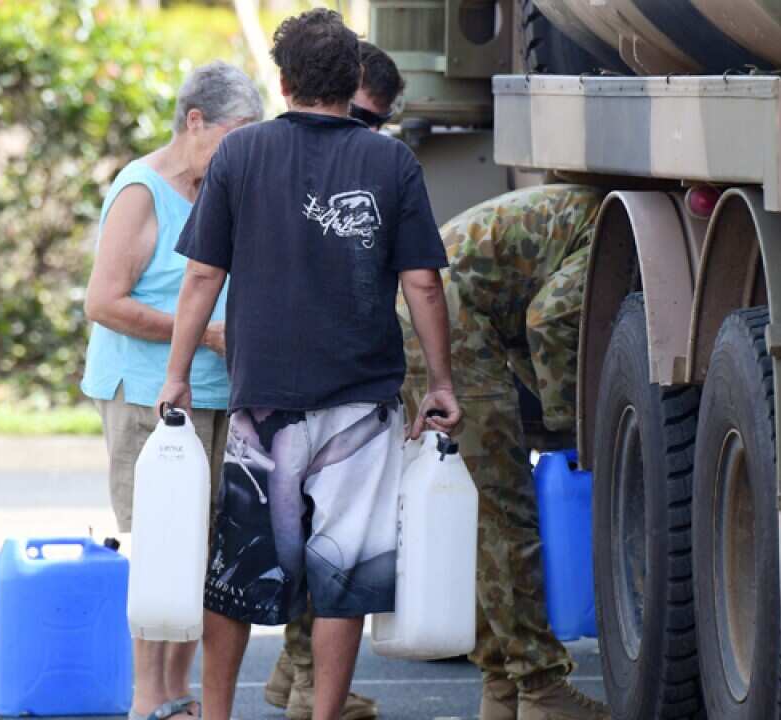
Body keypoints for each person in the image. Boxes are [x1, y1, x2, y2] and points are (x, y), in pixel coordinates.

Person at [157, 10, 461, 720]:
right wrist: (442, 382)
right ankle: (324, 715)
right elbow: (423, 283)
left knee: (236, 573)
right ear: (352, 81)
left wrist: (176, 374)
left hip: (263, 402)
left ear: (286, 81)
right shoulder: (391, 162)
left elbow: (202, 277)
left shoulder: (239, 155)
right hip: (361, 401)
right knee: (343, 574)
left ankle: (219, 712)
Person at [79, 61, 262, 720]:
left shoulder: (224, 185)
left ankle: (178, 696)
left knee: (203, 551)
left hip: (216, 392)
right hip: (146, 395)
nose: (244, 149)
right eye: (235, 134)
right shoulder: (142, 191)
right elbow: (103, 302)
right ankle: (146, 699)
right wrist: (203, 335)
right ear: (194, 123)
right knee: (159, 545)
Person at [399, 185, 611, 720]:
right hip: (449, 327)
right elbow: (548, 319)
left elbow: (519, 318)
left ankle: (502, 685)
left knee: (479, 518)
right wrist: (572, 427)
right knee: (503, 518)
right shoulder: (609, 237)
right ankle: (541, 690)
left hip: (433, 317)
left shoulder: (577, 214)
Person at [262, 39, 407, 720]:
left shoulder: (375, 167)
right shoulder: (270, 159)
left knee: (327, 545)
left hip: (335, 380)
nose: (364, 133)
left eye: (377, 124)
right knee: (311, 547)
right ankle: (305, 682)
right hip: (284, 382)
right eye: (360, 115)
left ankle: (305, 681)